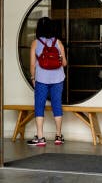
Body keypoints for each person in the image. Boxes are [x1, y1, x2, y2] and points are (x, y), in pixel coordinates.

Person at [27, 16, 67, 146]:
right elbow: (64, 63)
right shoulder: (58, 43)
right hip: (58, 79)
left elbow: (32, 65)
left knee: (39, 106)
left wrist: (33, 78)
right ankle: (58, 136)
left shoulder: (35, 43)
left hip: (41, 79)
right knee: (57, 105)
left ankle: (40, 137)